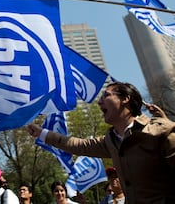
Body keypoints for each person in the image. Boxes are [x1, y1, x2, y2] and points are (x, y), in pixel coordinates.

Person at [27, 81, 175, 204]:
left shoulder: (161, 131)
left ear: (125, 99)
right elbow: (78, 145)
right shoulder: (111, 141)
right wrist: (42, 133)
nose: (99, 102)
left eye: (107, 95)